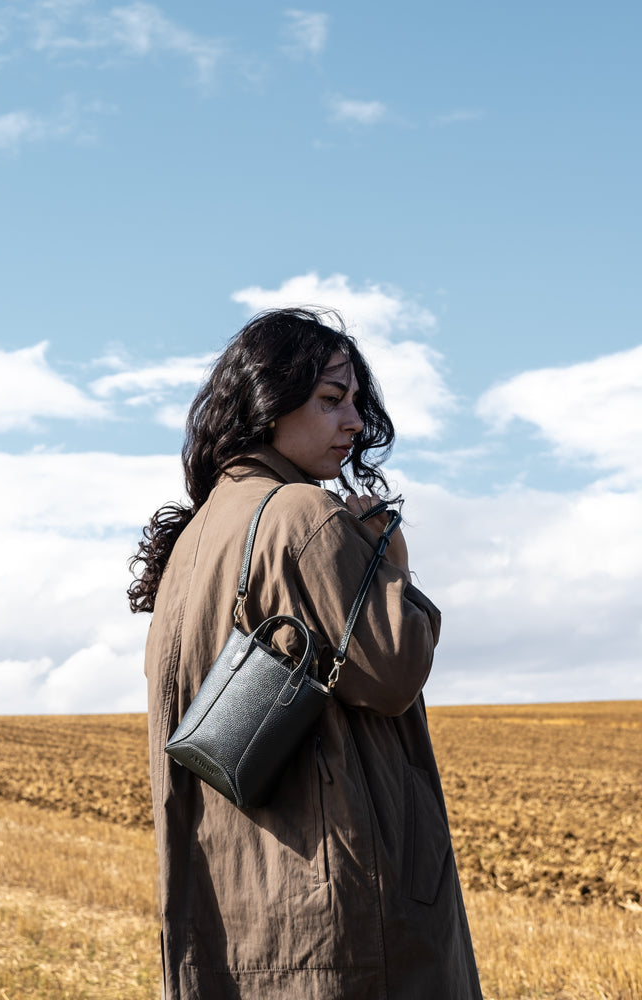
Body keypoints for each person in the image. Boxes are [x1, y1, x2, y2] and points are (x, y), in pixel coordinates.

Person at [129, 308, 482, 1000]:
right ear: (268, 400)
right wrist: (390, 562)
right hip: (345, 921)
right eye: (330, 400)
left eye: (355, 403)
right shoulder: (301, 514)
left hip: (240, 912)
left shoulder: (196, 538)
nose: (353, 422)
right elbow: (393, 674)